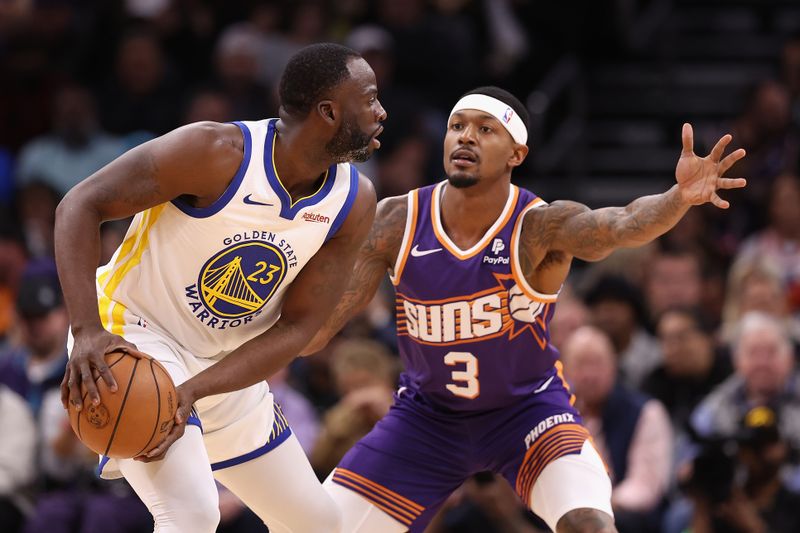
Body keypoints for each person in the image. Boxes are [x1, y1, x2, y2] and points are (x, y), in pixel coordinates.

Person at [304, 85, 746, 533]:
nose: (465, 138)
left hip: (526, 412)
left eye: (484, 129)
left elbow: (622, 223)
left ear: (516, 153)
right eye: (457, 126)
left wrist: (678, 198)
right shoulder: (396, 221)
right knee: (318, 527)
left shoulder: (538, 226)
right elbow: (319, 326)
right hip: (426, 418)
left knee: (589, 524)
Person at [55, 42, 385, 533]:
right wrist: (85, 329)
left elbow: (297, 329)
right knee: (190, 514)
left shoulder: (353, 201)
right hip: (138, 337)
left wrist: (198, 389)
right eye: (371, 98)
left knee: (318, 524)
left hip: (225, 367)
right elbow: (80, 204)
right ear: (329, 112)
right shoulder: (214, 153)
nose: (381, 112)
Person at [561, 326, 672, 533]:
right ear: (565, 370)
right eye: (580, 364)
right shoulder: (556, 417)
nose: (589, 375)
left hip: (623, 514)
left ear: (613, 365)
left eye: (596, 363)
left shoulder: (646, 412)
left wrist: (594, 510)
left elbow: (644, 487)